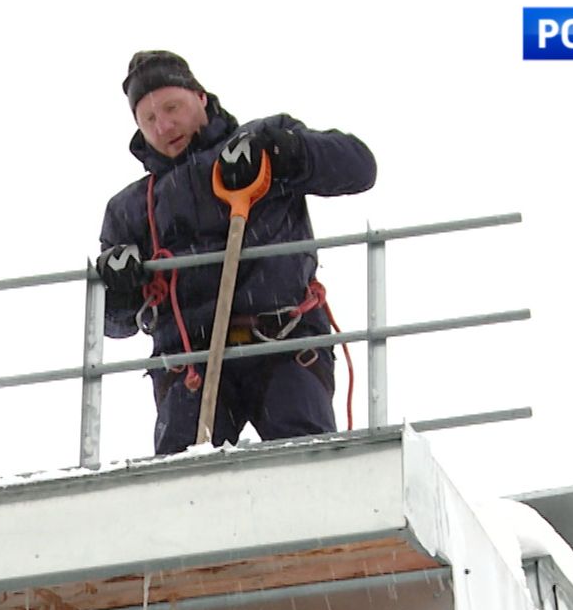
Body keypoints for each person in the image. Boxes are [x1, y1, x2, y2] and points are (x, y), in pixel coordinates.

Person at [97, 50, 375, 455]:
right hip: (190, 364)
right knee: (181, 488)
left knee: (307, 468)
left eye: (172, 108)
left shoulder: (262, 143)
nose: (164, 125)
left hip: (283, 343)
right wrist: (121, 287)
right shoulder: (130, 209)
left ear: (201, 99)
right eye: (149, 119)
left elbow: (359, 168)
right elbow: (115, 325)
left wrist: (286, 151)